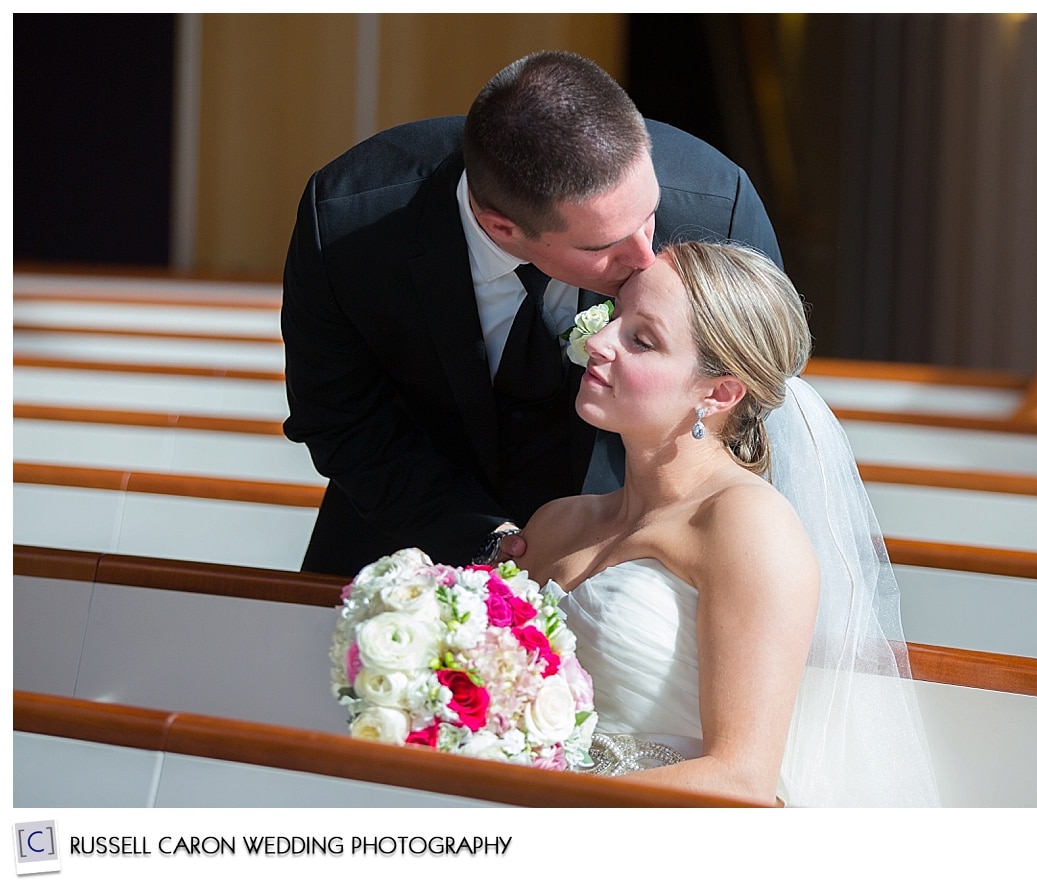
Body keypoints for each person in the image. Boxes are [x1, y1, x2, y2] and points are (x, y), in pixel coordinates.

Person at [281, 50, 781, 577]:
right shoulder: (346, 222)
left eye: (650, 213)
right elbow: (342, 417)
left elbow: (746, 399)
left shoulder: (716, 206)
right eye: (604, 245)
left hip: (634, 563)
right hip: (405, 551)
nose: (643, 257)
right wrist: (479, 539)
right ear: (503, 229)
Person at [518, 241, 940, 807]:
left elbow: (740, 779)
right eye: (614, 317)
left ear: (718, 393)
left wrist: (534, 808)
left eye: (641, 339)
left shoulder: (745, 524)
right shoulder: (555, 522)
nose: (597, 341)